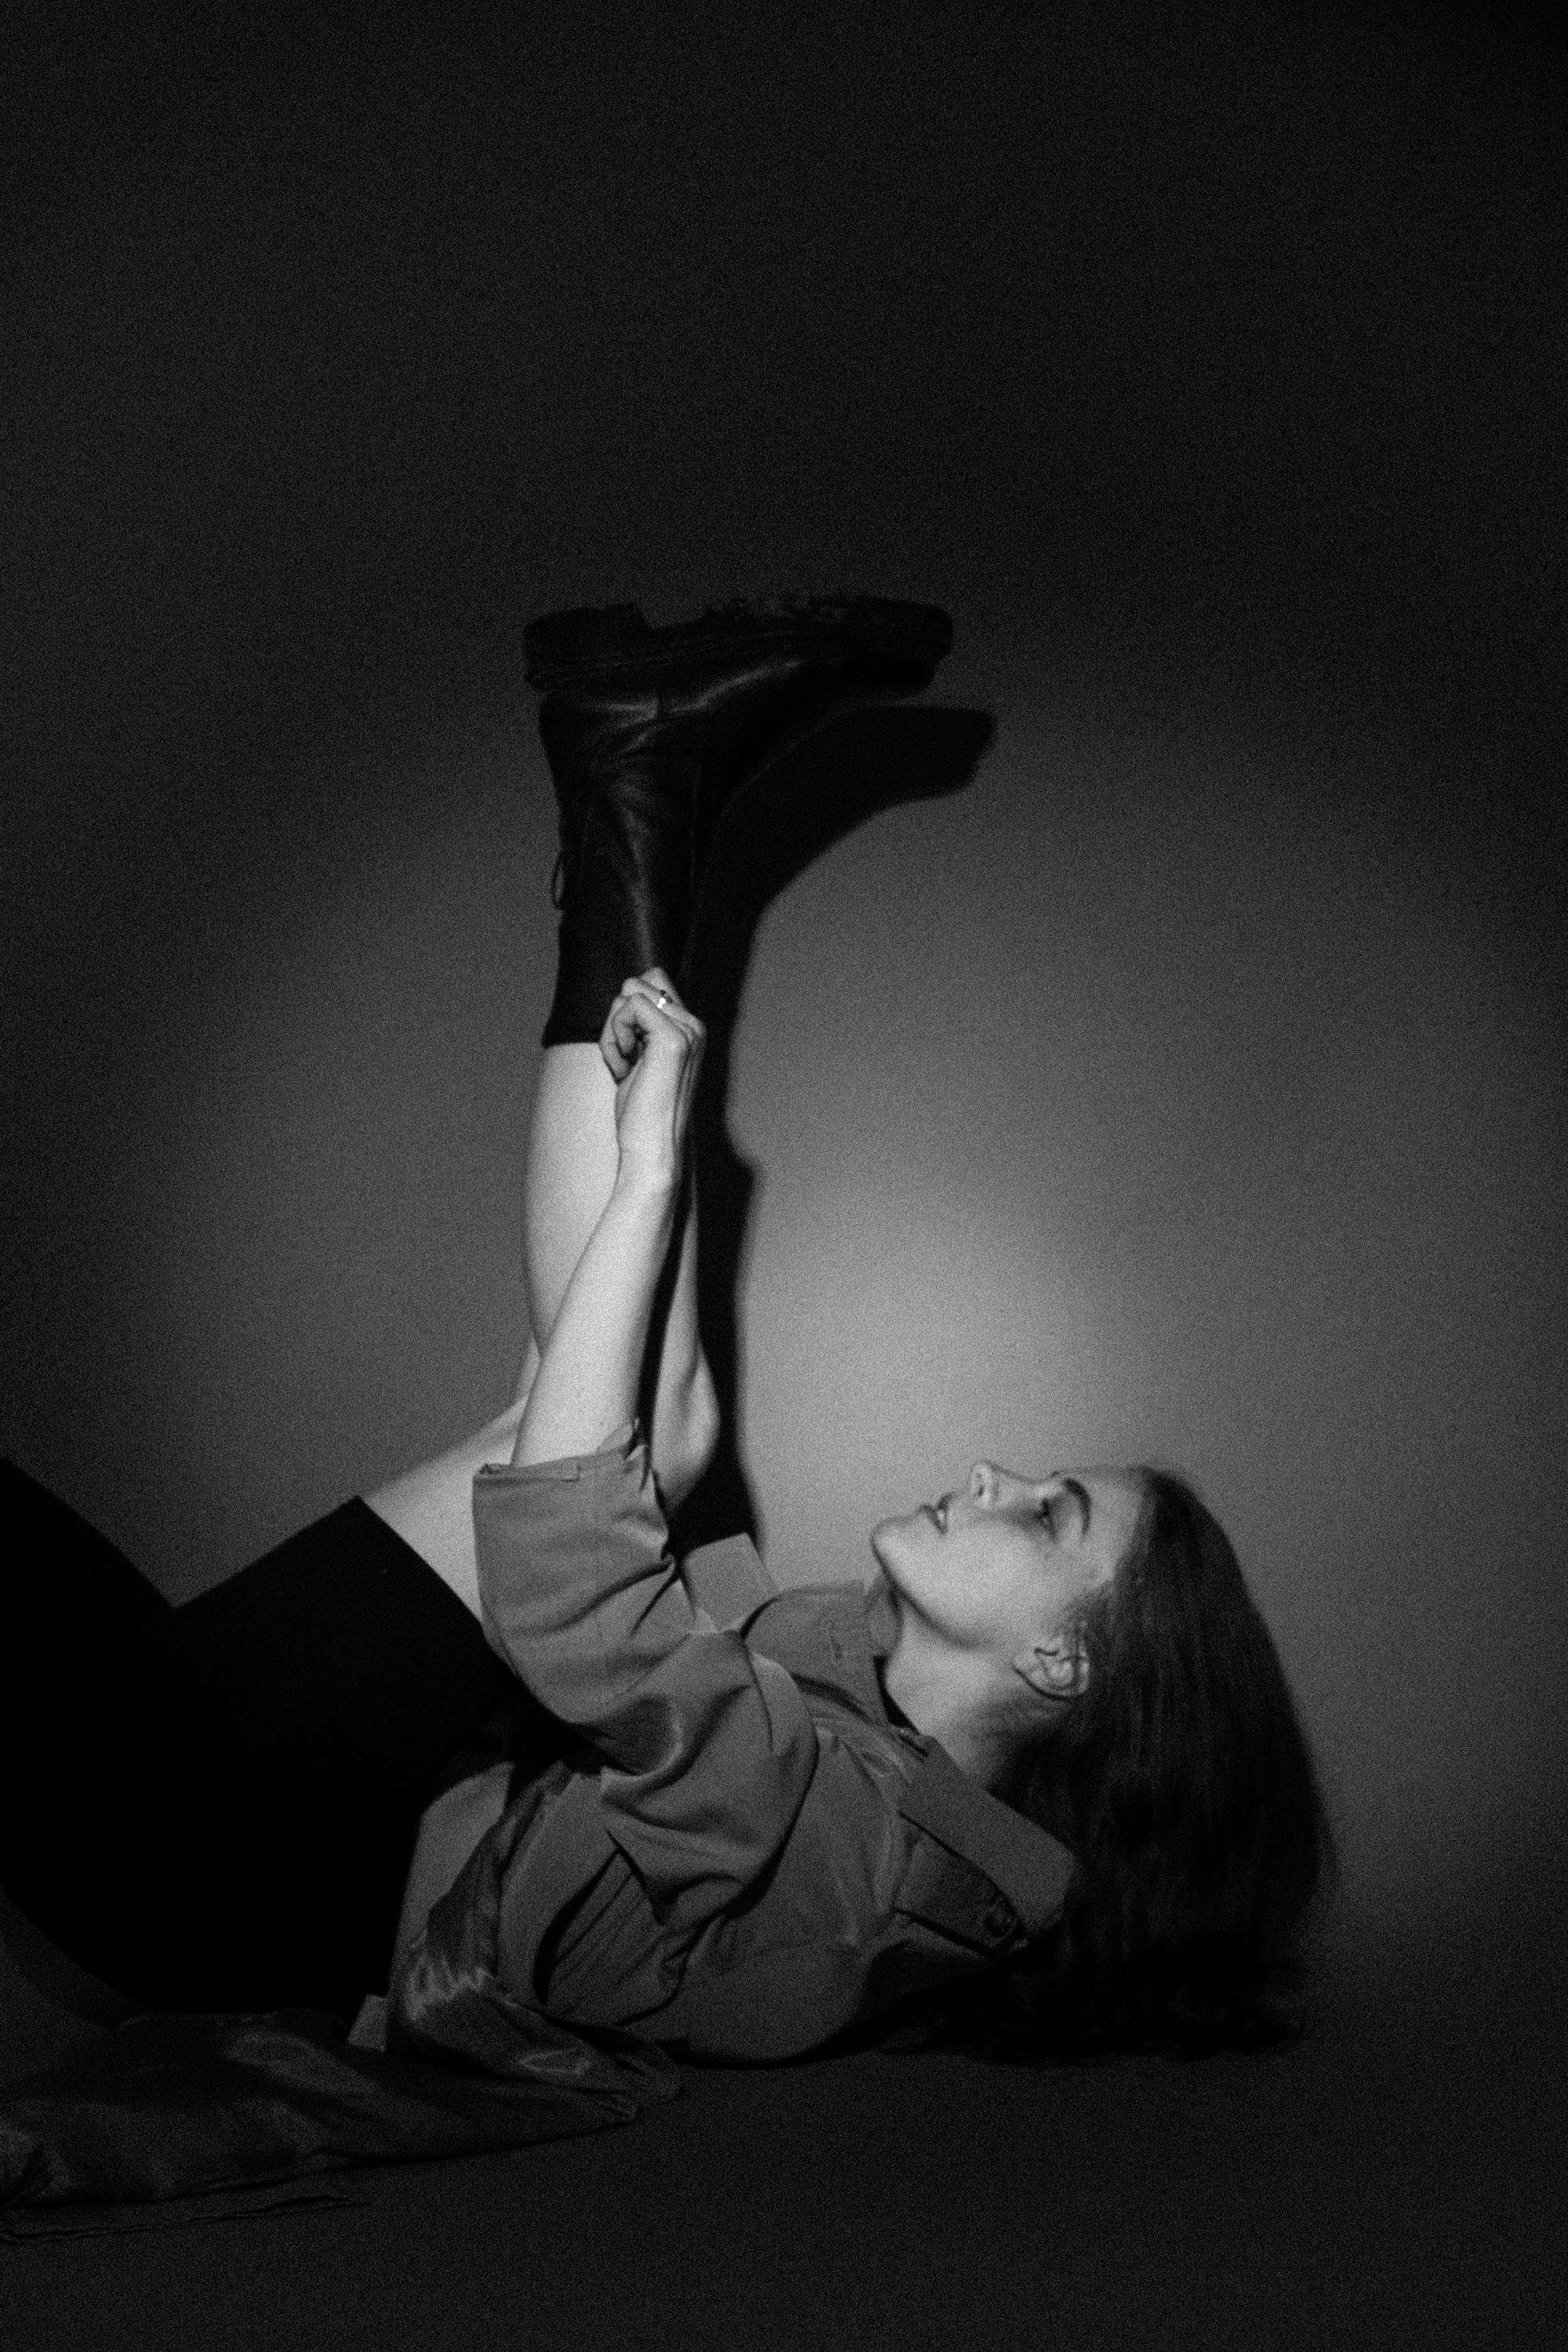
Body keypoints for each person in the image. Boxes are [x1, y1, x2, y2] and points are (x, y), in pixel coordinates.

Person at [0, 596, 1333, 2089]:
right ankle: (634, 783)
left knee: (596, 1464)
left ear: (1065, 1662)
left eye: (1052, 1514)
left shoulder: (834, 1852)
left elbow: (567, 1571)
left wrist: (653, 1173)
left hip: (122, 1887)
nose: (997, 1473)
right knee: (654, 1437)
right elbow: (629, 1457)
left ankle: (634, 784)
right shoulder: (861, 1733)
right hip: (157, 1833)